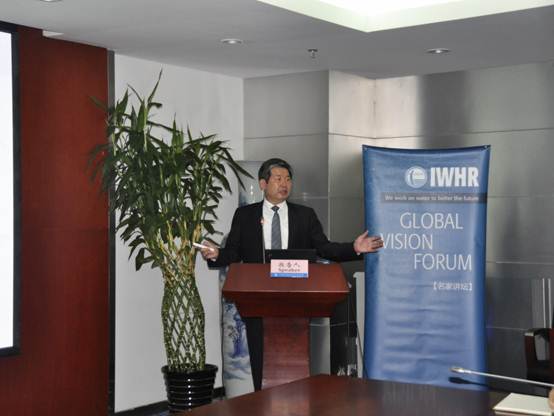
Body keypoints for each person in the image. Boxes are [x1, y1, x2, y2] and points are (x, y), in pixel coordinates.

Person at [200, 158, 383, 390]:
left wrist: (354, 248)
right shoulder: (245, 215)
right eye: (278, 179)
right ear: (263, 184)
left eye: (288, 179)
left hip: (296, 297)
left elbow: (324, 248)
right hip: (257, 299)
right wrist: (217, 253)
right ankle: (262, 401)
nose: (284, 184)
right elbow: (233, 253)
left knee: (295, 359)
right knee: (260, 361)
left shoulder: (304, 215)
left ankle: (299, 402)